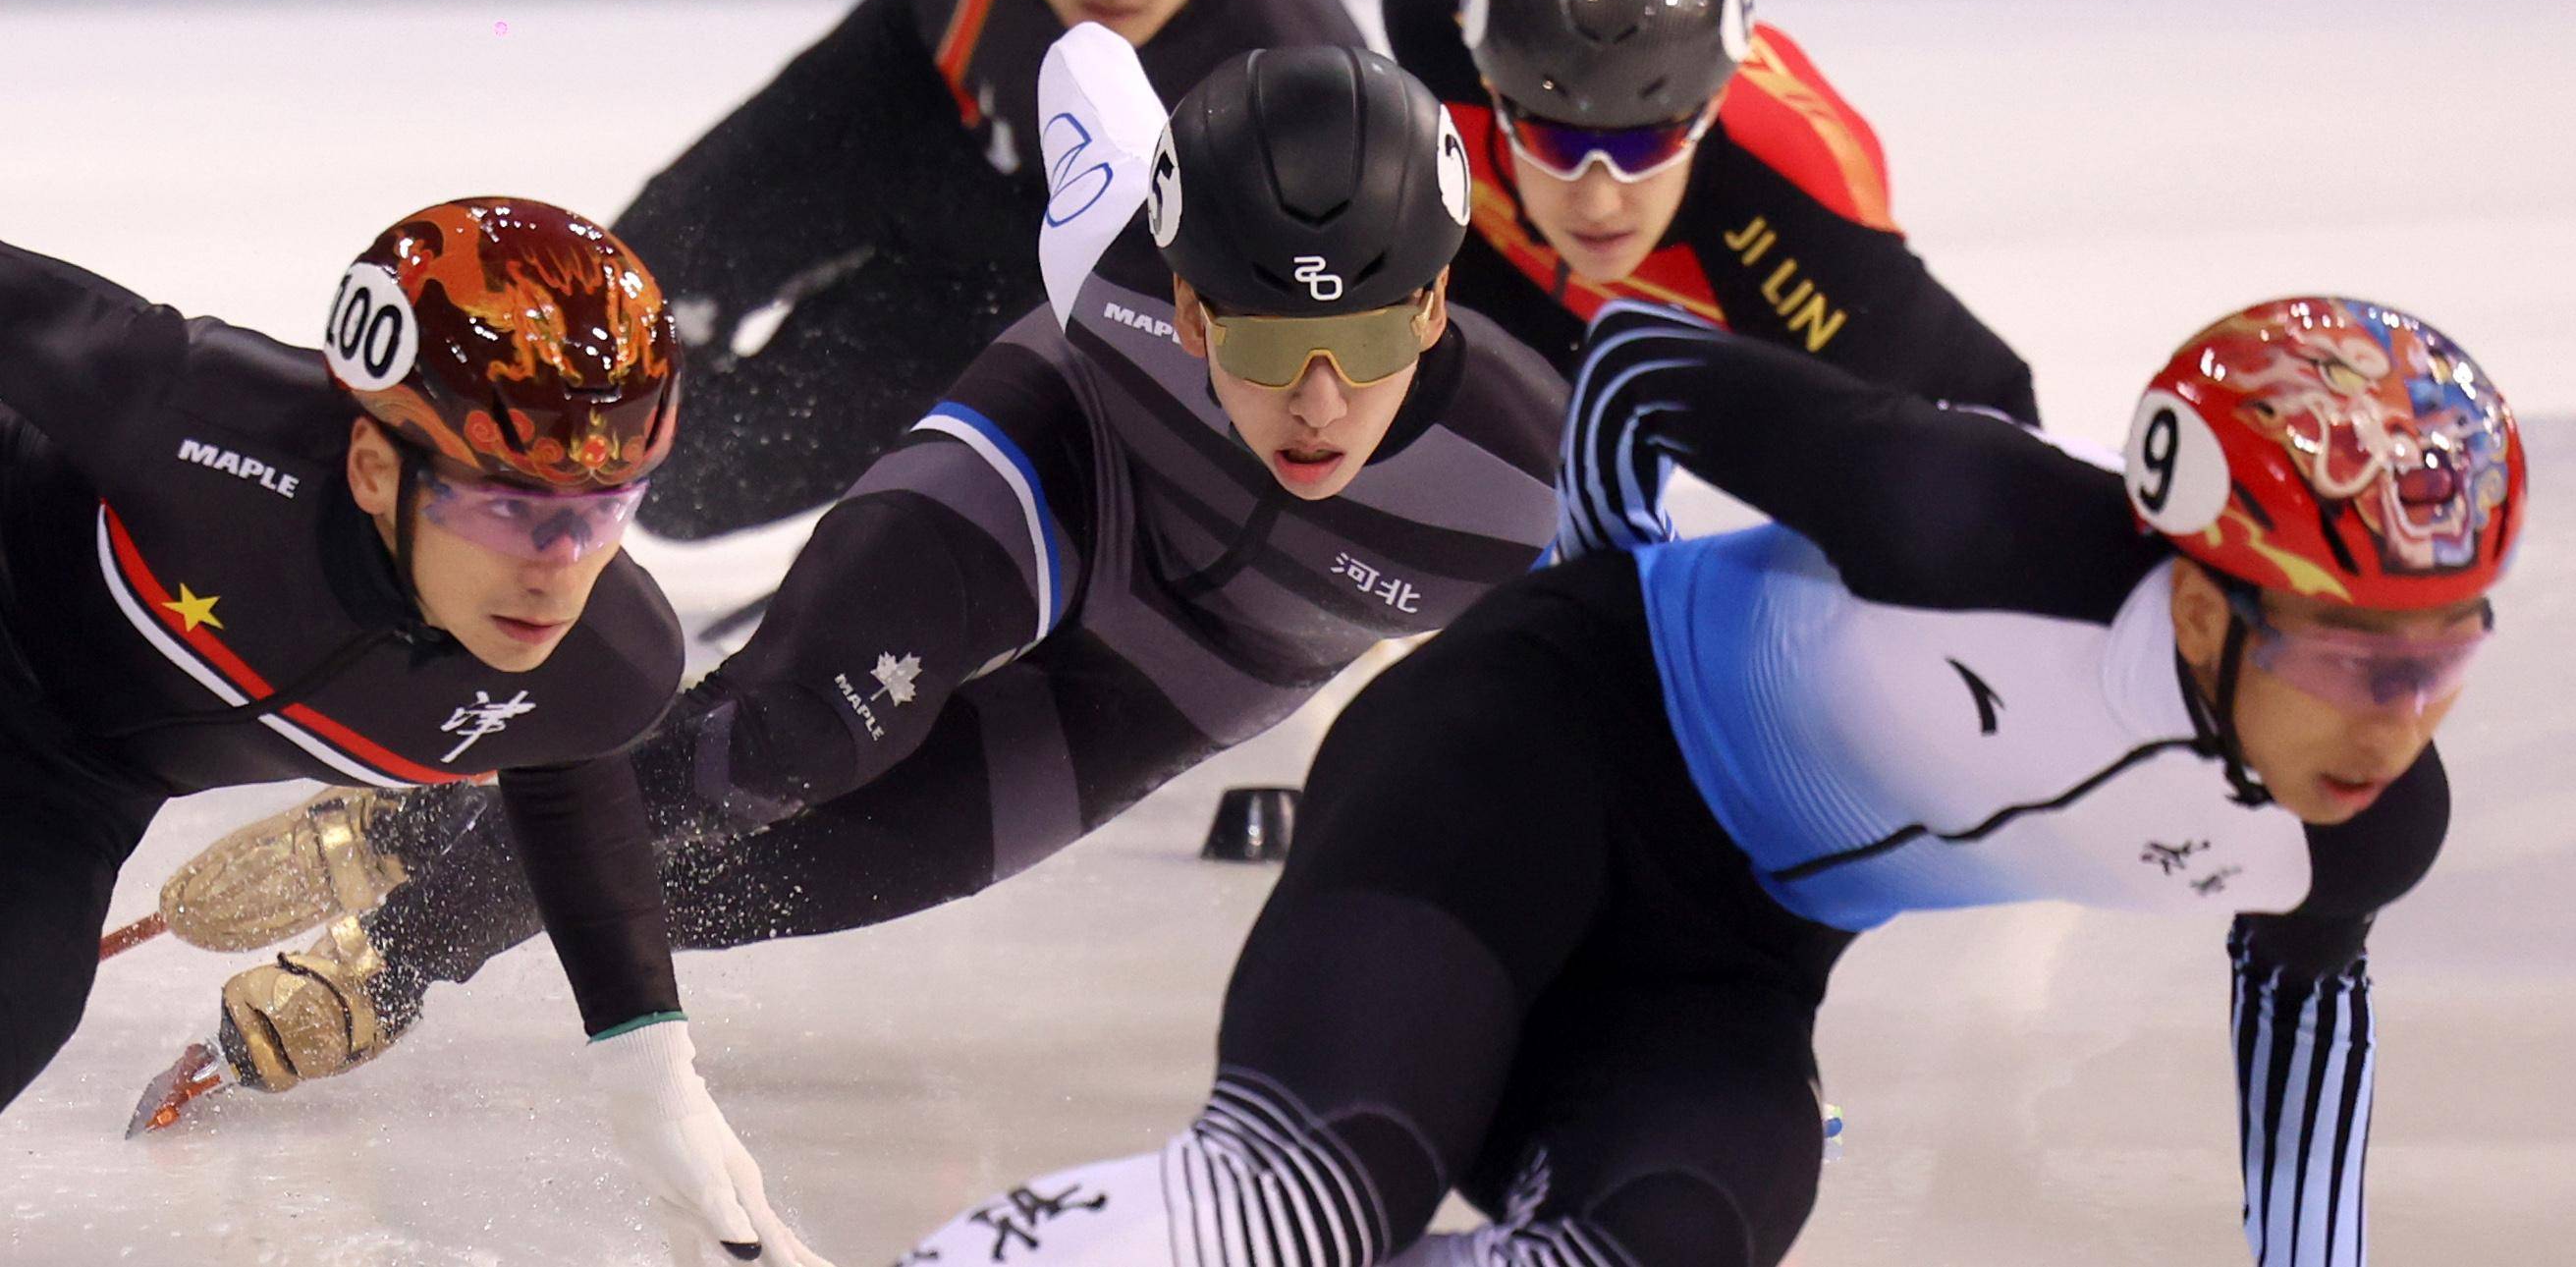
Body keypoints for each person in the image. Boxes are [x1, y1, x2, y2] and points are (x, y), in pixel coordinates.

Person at [899, 294, 2523, 1266]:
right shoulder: (1959, 515)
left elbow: (2300, 1009)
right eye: (2354, 660)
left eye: (2441, 655)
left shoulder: (2359, 828)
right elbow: (1632, 368)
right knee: (1311, 1194)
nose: (2397, 722)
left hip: (1720, 967)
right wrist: (1582, 609)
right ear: (2201, 603)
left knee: (1677, 1232)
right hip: (1525, 759)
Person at [142, 29, 1568, 1104]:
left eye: (1367, 340)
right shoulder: (1111, 265)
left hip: (1192, 671)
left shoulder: (1536, 493)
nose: (1318, 404)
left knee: (802, 874)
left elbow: (1632, 735)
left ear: (1432, 302)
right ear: (1188, 307)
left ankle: (436, 827)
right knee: (789, 734)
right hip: (1060, 467)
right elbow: (1078, 58)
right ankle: (390, 962)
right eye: (1261, 343)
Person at [0, 200, 824, 1264]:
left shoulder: (602, 666)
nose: (556, 569)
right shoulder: (198, 414)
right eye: (506, 507)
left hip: (71, 788)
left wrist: (653, 1082)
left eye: (601, 510)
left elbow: (570, 779)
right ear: (375, 468)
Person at [616, 0, 1365, 553]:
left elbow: (1361, 313)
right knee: (620, 372)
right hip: (897, 115)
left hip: (1027, 269)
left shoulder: (1289, 64)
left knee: (699, 482)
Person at [1382, 0, 2036, 417]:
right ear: (1495, 90)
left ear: (1710, 107)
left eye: (1643, 146)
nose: (1599, 202)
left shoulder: (1802, 225)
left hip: (1736, 332)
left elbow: (1996, 407)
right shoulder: (1443, 19)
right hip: (1507, 281)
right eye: (1557, 142)